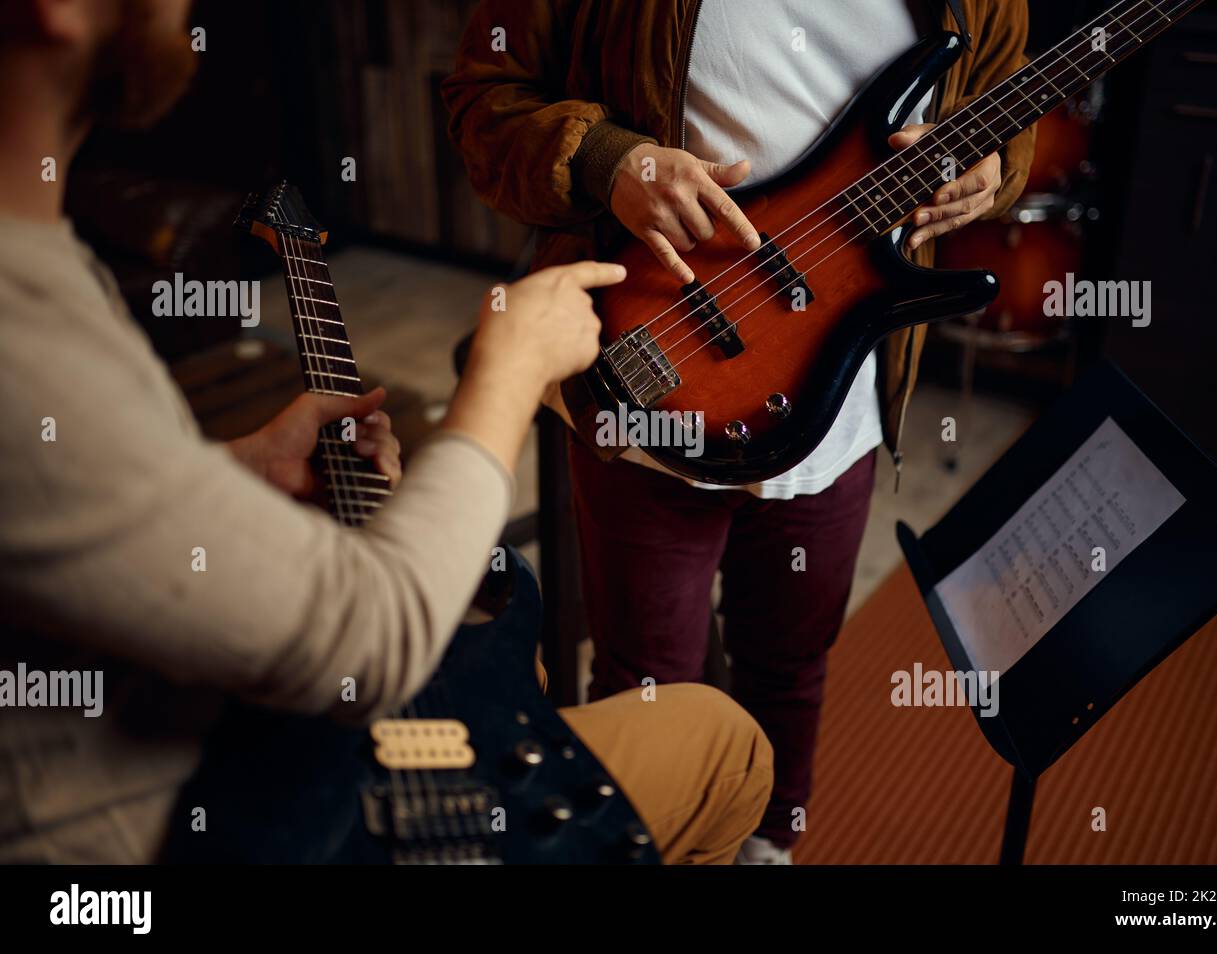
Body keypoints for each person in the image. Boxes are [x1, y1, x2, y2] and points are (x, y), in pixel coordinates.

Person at [0, 0, 771, 865]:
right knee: (728, 745)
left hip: (210, 748)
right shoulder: (20, 336)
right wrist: (507, 371)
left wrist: (223, 472)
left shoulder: (38, 262)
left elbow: (55, 496)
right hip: (202, 822)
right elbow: (375, 636)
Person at [443, 0, 1036, 862]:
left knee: (793, 659)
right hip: (656, 354)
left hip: (842, 383)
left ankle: (771, 843)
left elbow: (1001, 85)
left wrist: (997, 161)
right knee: (647, 683)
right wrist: (613, 161)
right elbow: (482, 94)